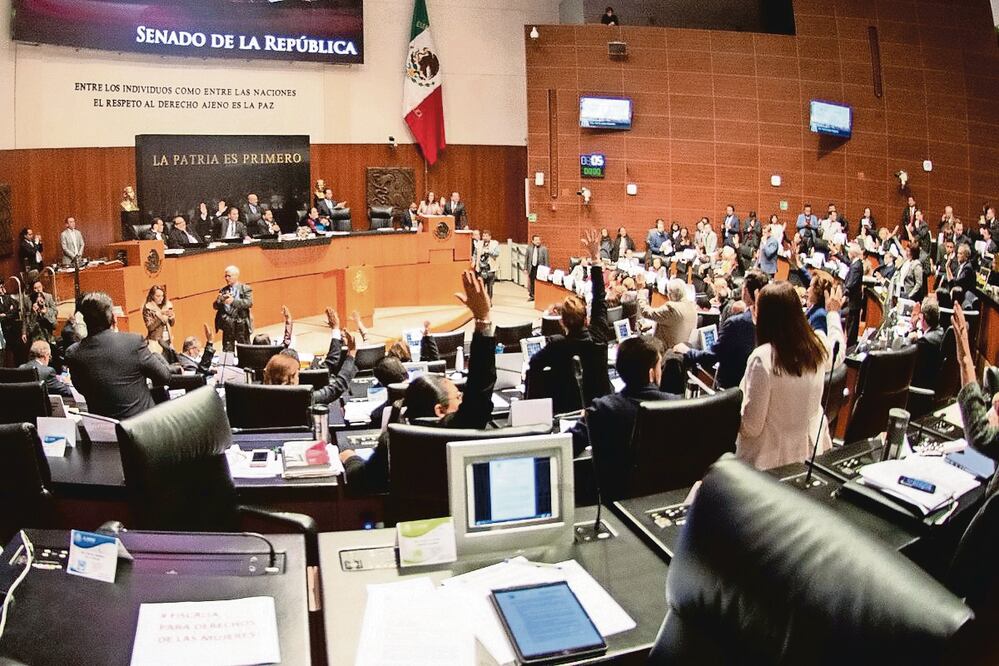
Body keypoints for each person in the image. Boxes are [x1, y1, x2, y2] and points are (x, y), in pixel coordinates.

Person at [339, 271, 497, 492]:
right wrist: (482, 320)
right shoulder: (459, 433)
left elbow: (362, 481)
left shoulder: (395, 441)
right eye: (459, 397)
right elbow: (481, 389)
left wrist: (350, 458)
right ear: (440, 410)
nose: (463, 399)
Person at [736, 281, 832, 470]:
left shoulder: (763, 358)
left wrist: (728, 411)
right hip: (806, 457)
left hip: (765, 465)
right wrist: (834, 314)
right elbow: (839, 350)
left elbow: (751, 427)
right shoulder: (818, 347)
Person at [569, 336, 678, 495]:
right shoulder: (677, 404)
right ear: (651, 373)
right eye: (659, 366)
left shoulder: (602, 408)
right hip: (662, 495)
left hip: (612, 500)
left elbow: (567, 445)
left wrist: (587, 418)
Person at [529, 231, 612, 409]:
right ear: (586, 319)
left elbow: (533, 364)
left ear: (562, 322)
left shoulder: (557, 345)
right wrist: (595, 258)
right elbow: (599, 299)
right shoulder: (598, 334)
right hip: (603, 406)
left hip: (569, 408)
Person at [66, 291, 172, 420]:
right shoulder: (133, 342)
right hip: (141, 429)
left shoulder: (73, 353)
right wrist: (156, 354)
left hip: (102, 432)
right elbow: (164, 377)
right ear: (114, 318)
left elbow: (80, 388)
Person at [677, 270, 768, 390]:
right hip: (756, 388)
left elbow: (711, 357)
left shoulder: (736, 323)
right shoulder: (770, 323)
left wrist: (687, 351)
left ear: (745, 291)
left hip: (729, 392)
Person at [263, 328, 358, 406]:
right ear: (291, 379)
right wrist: (351, 355)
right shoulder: (304, 397)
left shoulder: (256, 396)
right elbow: (336, 388)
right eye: (297, 375)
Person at [638, 278, 697, 350]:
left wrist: (641, 293)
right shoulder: (692, 306)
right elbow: (676, 324)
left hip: (665, 353)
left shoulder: (672, 308)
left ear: (671, 294)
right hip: (682, 351)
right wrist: (653, 325)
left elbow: (646, 312)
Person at [213, 265, 253, 351]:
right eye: (225, 276)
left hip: (241, 323)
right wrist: (220, 300)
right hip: (227, 324)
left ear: (236, 276)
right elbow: (215, 306)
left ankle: (245, 364)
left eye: (229, 276)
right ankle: (228, 364)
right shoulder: (223, 290)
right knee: (227, 350)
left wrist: (233, 301)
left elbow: (249, 303)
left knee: (244, 349)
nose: (226, 278)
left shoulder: (245, 288)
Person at [909, 296, 944, 390]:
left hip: (918, 389)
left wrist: (910, 336)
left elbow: (907, 360)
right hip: (931, 384)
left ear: (923, 318)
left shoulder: (924, 343)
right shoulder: (941, 332)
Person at [143, 284, 175, 358]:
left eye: (162, 296)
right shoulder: (148, 308)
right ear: (152, 296)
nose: (161, 298)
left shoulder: (166, 306)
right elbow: (150, 327)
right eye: (158, 296)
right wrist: (161, 317)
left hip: (168, 339)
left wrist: (171, 317)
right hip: (156, 341)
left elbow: (172, 324)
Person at [842, 241, 865, 345]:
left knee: (852, 326)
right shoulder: (856, 263)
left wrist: (843, 294)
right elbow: (847, 262)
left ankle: (850, 347)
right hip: (854, 300)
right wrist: (838, 254)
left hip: (854, 301)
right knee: (850, 324)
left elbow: (851, 284)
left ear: (852, 253)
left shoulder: (856, 266)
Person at [26, 280, 56, 344]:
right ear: (32, 289)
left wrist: (46, 311)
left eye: (39, 287)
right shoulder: (28, 300)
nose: (38, 289)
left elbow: (55, 311)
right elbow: (26, 317)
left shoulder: (48, 297)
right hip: (35, 331)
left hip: (47, 328)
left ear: (42, 287)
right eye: (35, 288)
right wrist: (33, 312)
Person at [474, 229, 500, 298]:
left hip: (490, 268)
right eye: (483, 236)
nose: (484, 237)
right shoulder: (479, 244)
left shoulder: (495, 243)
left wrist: (488, 251)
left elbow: (497, 253)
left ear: (490, 237)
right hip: (481, 268)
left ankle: (489, 300)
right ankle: (481, 301)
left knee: (490, 286)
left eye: (486, 236)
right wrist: (475, 262)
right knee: (481, 285)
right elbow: (475, 254)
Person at [526, 234, 549, 301]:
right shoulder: (529, 248)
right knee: (532, 282)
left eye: (539, 240)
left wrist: (546, 270)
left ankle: (539, 296)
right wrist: (525, 268)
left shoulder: (544, 249)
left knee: (539, 282)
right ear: (532, 241)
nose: (538, 241)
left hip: (540, 268)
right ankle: (532, 295)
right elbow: (526, 258)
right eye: (536, 240)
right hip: (532, 267)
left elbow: (546, 260)